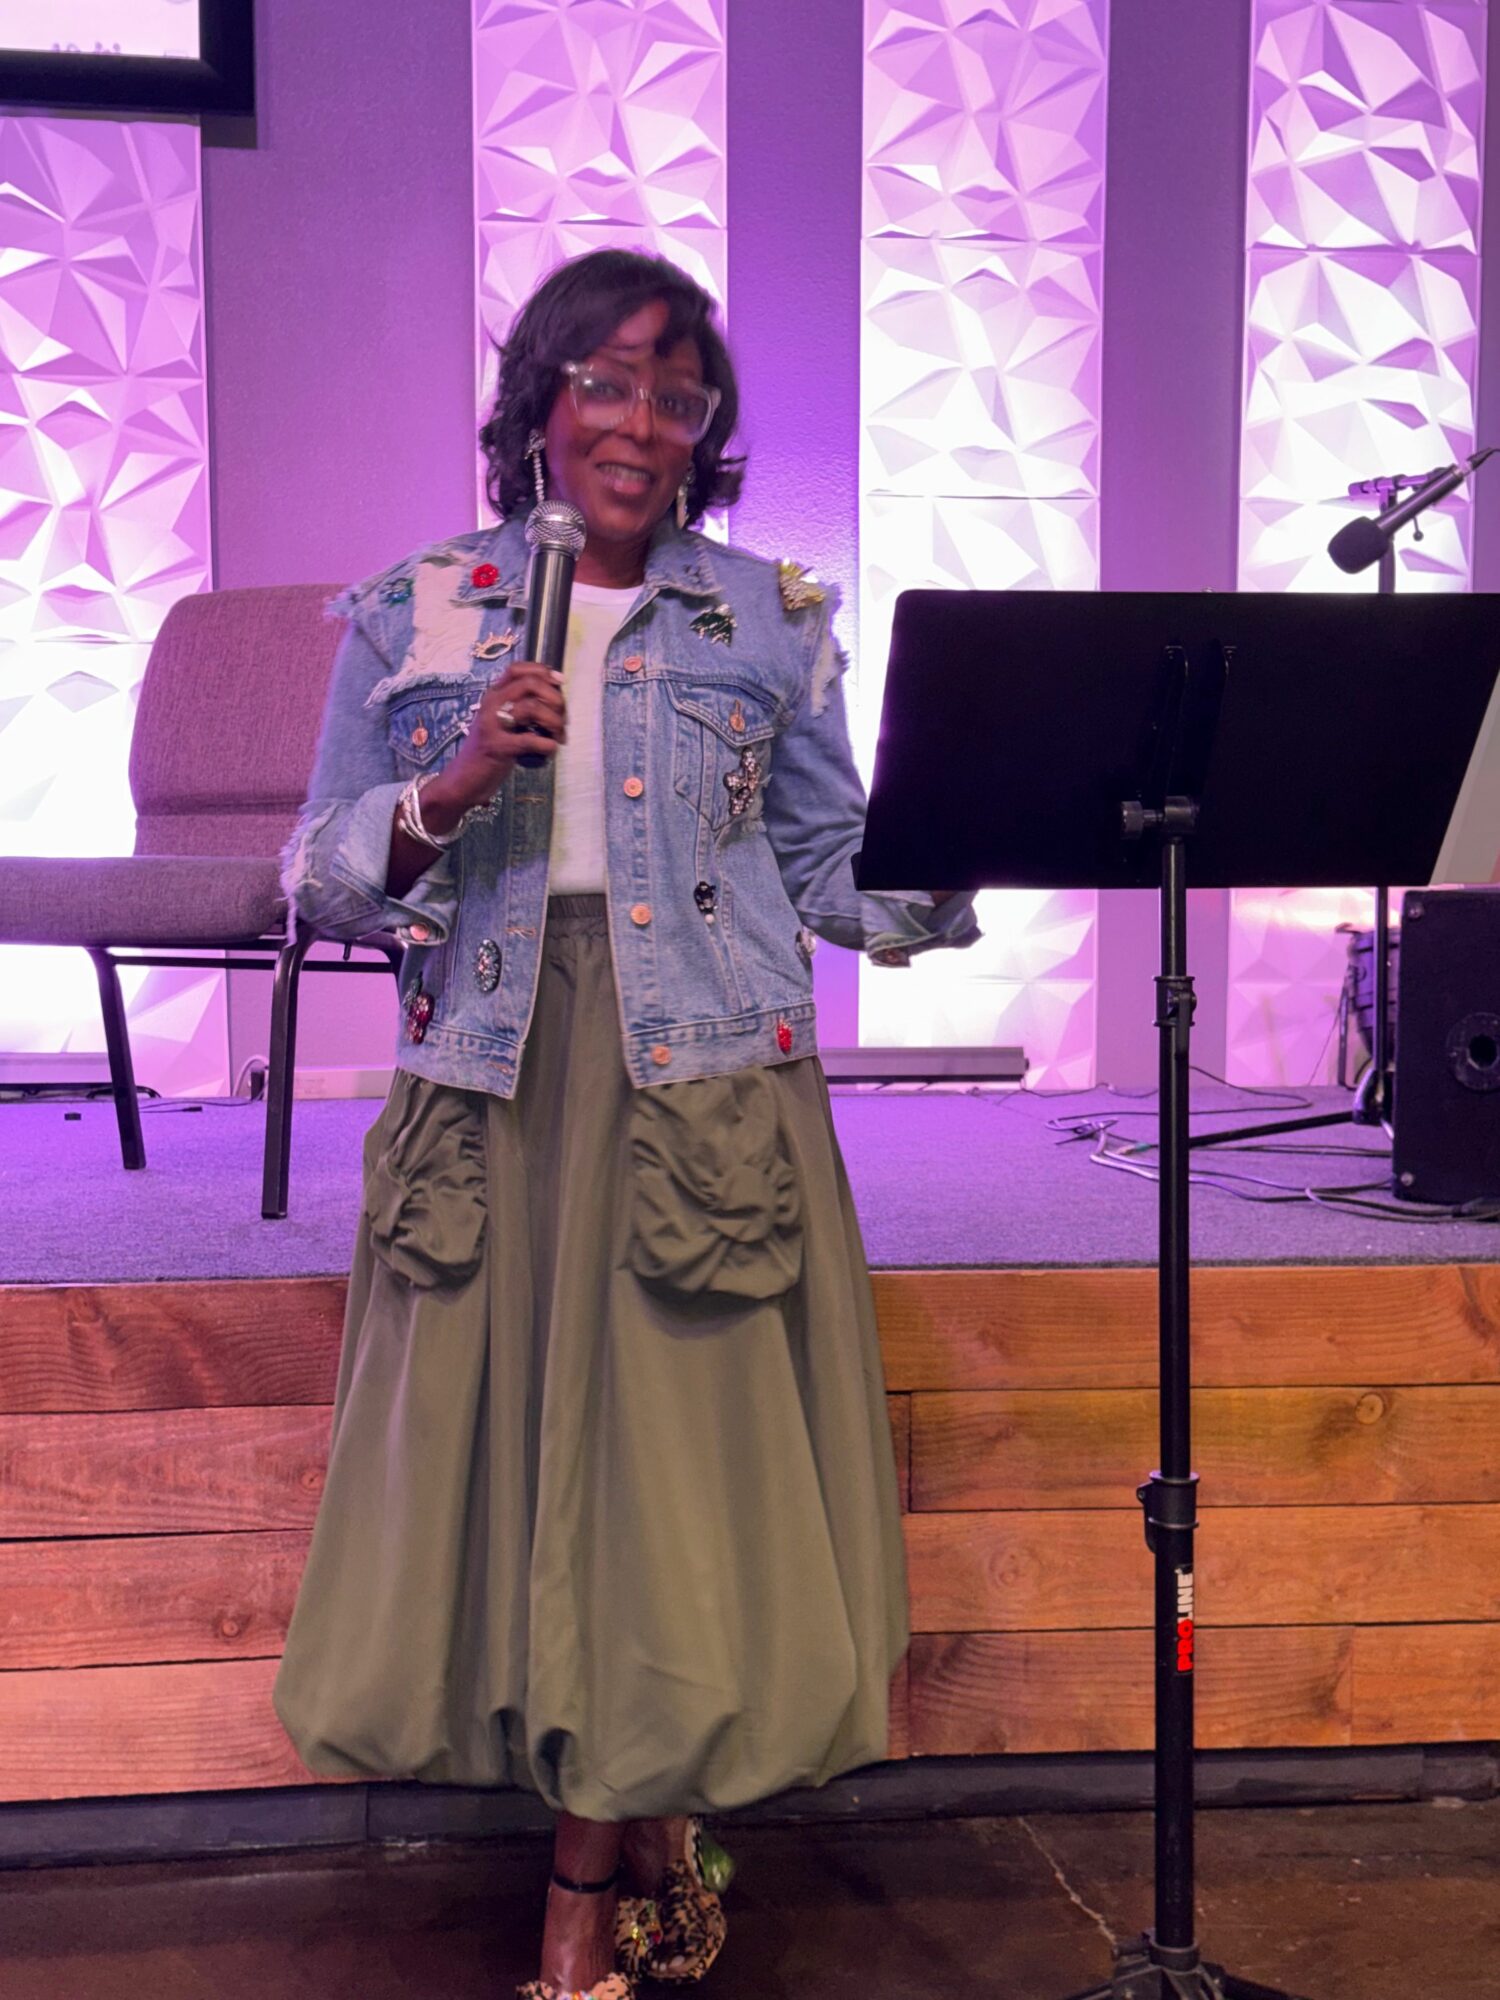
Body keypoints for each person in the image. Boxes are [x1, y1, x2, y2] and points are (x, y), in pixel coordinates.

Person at [272, 247, 979, 2000]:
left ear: (702, 429)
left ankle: (584, 1899)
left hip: (704, 1083)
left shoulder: (765, 616)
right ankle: (642, 1824)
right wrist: (449, 785)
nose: (641, 423)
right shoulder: (417, 608)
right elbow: (319, 874)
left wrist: (977, 836)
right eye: (606, 381)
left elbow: (828, 864)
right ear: (541, 402)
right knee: (535, 1479)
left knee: (665, 1487)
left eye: (677, 394)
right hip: (495, 1078)